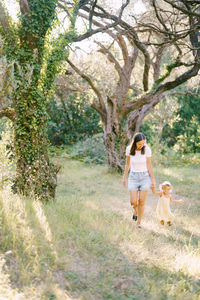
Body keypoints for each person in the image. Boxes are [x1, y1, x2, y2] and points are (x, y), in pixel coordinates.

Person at [123, 132, 155, 228]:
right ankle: (136, 212)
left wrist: (153, 180)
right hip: (133, 177)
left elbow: (149, 165)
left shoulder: (147, 150)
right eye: (140, 144)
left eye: (143, 143)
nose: (142, 146)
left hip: (144, 177)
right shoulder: (129, 149)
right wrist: (124, 177)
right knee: (133, 202)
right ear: (135, 142)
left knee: (141, 201)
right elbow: (127, 164)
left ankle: (139, 222)